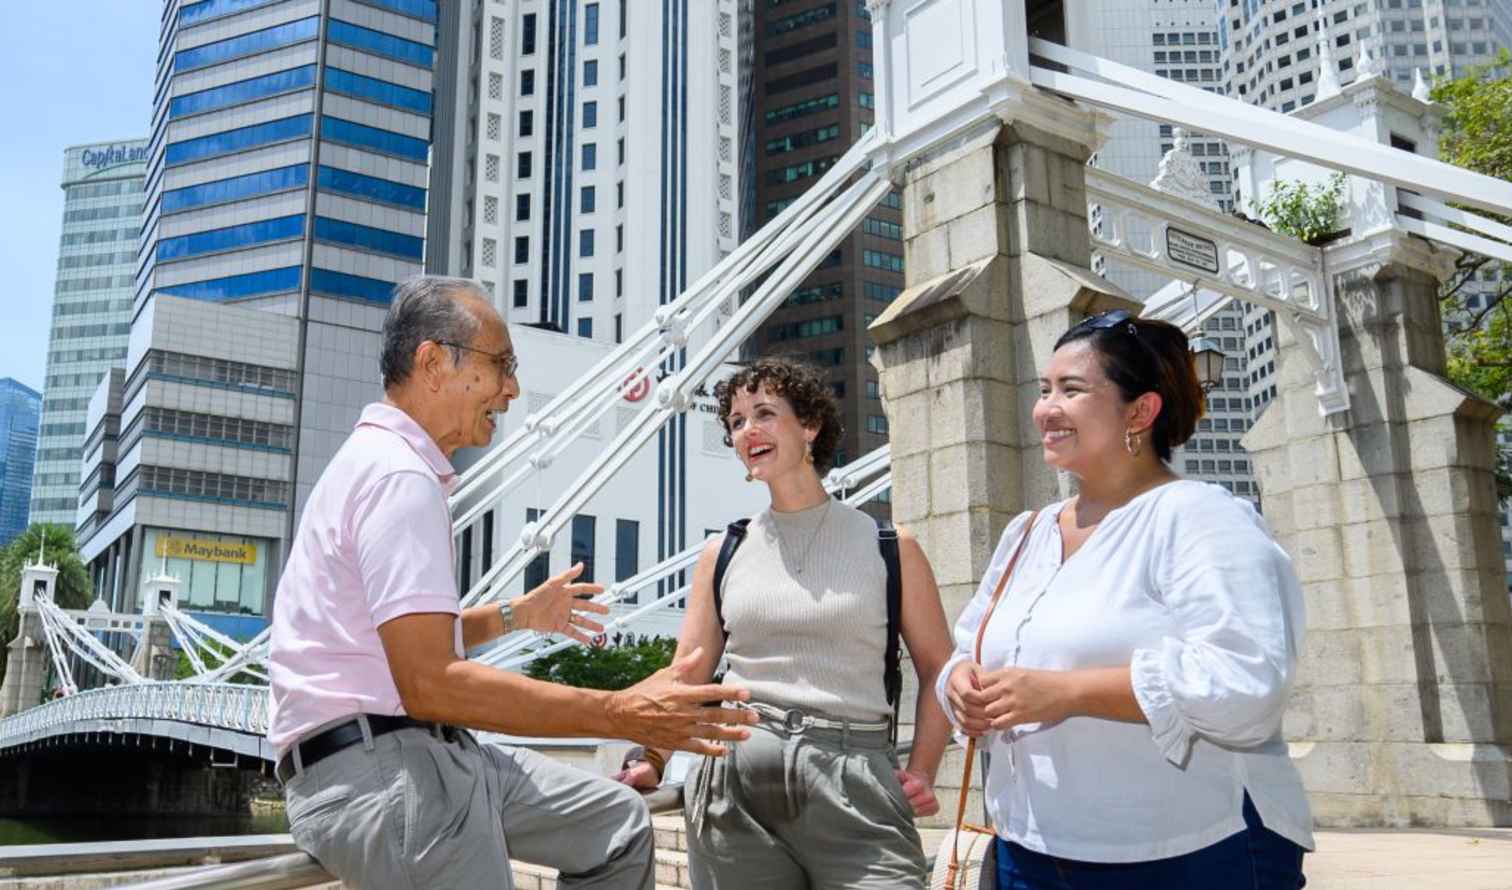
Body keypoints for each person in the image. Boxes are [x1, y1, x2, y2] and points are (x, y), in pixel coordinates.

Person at [267, 276, 756, 890]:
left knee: (619, 826)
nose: (512, 389)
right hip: (381, 771)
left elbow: (385, 641)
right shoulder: (398, 478)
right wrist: (623, 712)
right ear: (433, 362)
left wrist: (514, 616)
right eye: (502, 365)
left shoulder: (388, 468)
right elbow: (428, 683)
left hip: (424, 751)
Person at [937, 309, 1314, 889]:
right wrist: (962, 684)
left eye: (1072, 389)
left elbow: (1245, 682)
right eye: (1044, 390)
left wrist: (1065, 692)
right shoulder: (1026, 532)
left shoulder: (1202, 517)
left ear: (1140, 410)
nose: (1045, 408)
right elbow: (970, 648)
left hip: (1192, 853)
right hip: (1030, 852)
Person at [617, 356, 956, 890]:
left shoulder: (889, 547)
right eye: (735, 421)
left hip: (855, 777)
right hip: (735, 777)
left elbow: (941, 669)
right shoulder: (723, 551)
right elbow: (689, 674)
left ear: (810, 427)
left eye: (765, 413)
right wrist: (652, 757)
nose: (748, 430)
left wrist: (923, 769)